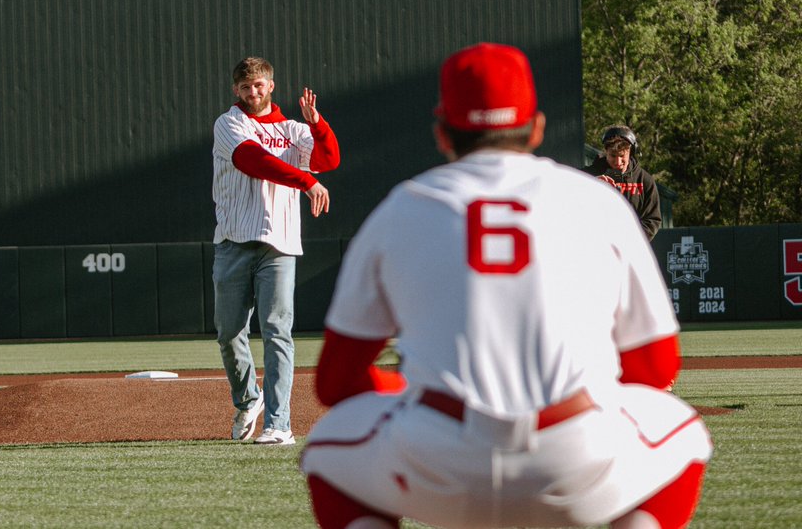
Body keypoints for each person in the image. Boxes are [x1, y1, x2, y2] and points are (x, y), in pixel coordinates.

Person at [300, 43, 711, 529]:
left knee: (327, 448)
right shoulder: (596, 203)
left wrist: (411, 389)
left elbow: (335, 383)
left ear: (441, 132)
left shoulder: (401, 209)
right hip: (573, 458)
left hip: (440, 461)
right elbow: (657, 366)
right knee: (684, 434)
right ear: (537, 127)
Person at [212, 56, 340, 446]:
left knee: (277, 332)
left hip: (280, 244)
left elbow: (328, 160)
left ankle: (279, 424)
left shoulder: (293, 128)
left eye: (260, 84)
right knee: (230, 333)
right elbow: (252, 160)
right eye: (247, 86)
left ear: (272, 85)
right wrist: (306, 182)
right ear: (237, 90)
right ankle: (249, 400)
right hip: (234, 240)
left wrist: (317, 124)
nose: (254, 92)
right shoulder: (229, 123)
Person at [583, 124, 662, 240]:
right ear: (605, 152)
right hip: (597, 246)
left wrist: (628, 239)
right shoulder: (588, 177)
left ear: (631, 152)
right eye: (613, 156)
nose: (618, 161)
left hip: (631, 249)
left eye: (622, 156)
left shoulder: (645, 180)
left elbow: (652, 220)